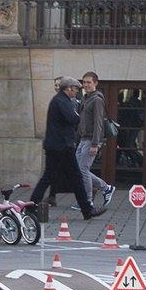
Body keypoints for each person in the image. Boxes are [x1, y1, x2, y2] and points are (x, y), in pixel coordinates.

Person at [30, 76, 97, 219]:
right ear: (69, 89)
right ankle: (87, 209)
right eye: (76, 89)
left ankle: (31, 205)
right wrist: (81, 113)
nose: (77, 92)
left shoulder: (60, 100)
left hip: (57, 145)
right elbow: (73, 119)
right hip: (62, 146)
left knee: (49, 177)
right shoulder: (62, 101)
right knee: (76, 176)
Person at [76, 71, 115, 211]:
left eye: (89, 82)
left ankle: (87, 201)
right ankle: (106, 188)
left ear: (95, 83)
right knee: (79, 169)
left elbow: (98, 123)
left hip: (91, 140)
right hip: (83, 138)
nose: (86, 85)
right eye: (84, 82)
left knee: (83, 169)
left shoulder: (97, 99)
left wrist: (94, 144)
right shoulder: (85, 98)